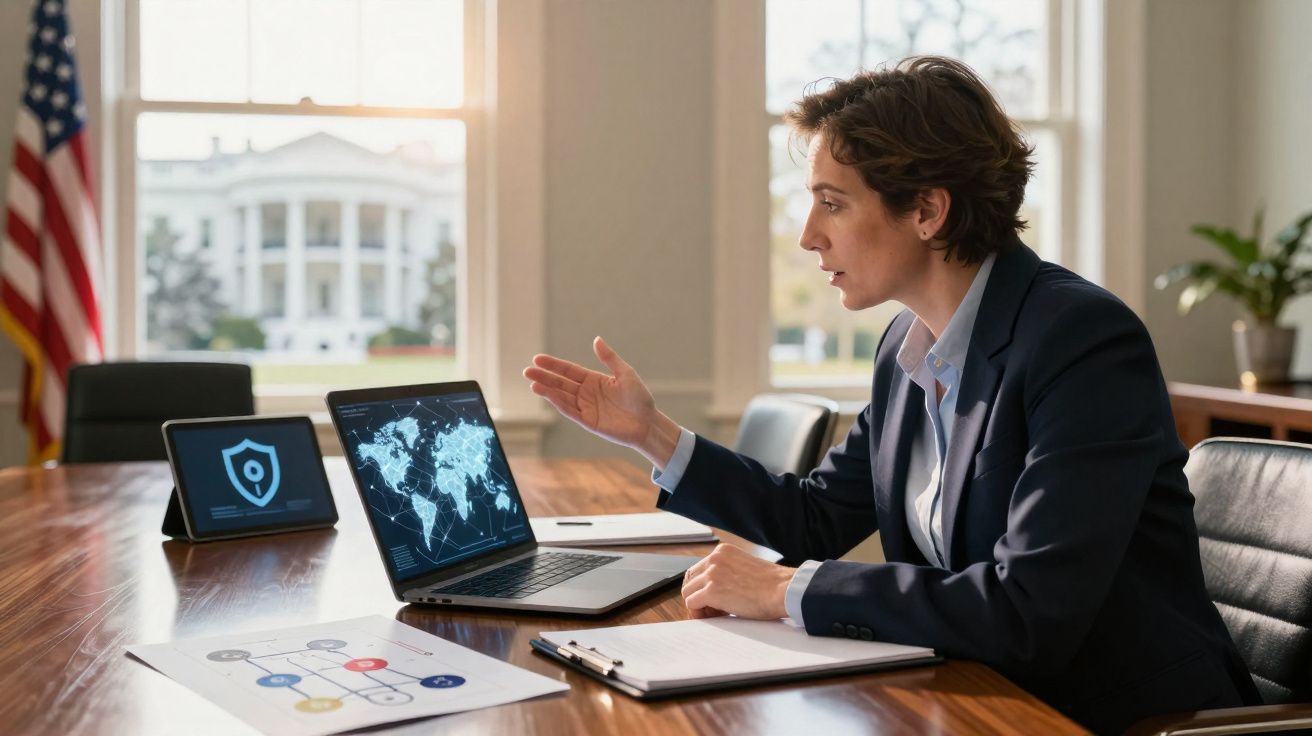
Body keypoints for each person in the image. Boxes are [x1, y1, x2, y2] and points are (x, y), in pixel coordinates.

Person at [522, 56, 1259, 734]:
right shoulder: (905, 348)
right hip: (970, 693)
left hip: (1109, 714)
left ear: (928, 212)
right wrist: (651, 434)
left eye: (832, 204)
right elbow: (812, 517)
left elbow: (1031, 609)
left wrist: (784, 592)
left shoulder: (1082, 341)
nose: (809, 236)